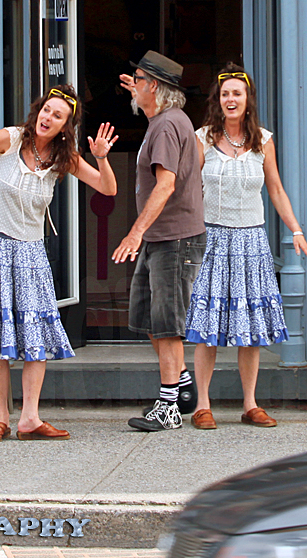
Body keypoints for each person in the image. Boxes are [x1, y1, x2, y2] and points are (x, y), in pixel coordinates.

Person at [0, 84, 118, 442]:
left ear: (65, 126)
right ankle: (1, 417)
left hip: (30, 253)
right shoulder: (10, 140)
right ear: (37, 111)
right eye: (46, 110)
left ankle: (30, 418)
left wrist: (101, 157)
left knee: (34, 334)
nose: (48, 118)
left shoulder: (63, 157)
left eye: (58, 115)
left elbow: (107, 188)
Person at [185, 68, 307, 430]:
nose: (231, 100)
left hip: (252, 241)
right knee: (207, 326)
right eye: (226, 93)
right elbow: (188, 189)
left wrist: (296, 230)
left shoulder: (263, 141)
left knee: (251, 327)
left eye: (237, 94)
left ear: (247, 100)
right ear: (218, 99)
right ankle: (203, 405)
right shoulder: (203, 139)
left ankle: (250, 403)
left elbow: (275, 188)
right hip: (212, 239)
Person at [111, 51, 205, 431]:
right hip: (163, 236)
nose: (133, 86)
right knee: (148, 316)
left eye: (139, 80)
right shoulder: (166, 120)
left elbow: (166, 183)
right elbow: (197, 159)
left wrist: (135, 232)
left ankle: (168, 405)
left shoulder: (167, 125)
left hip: (173, 239)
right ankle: (181, 383)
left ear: (155, 87)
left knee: (166, 322)